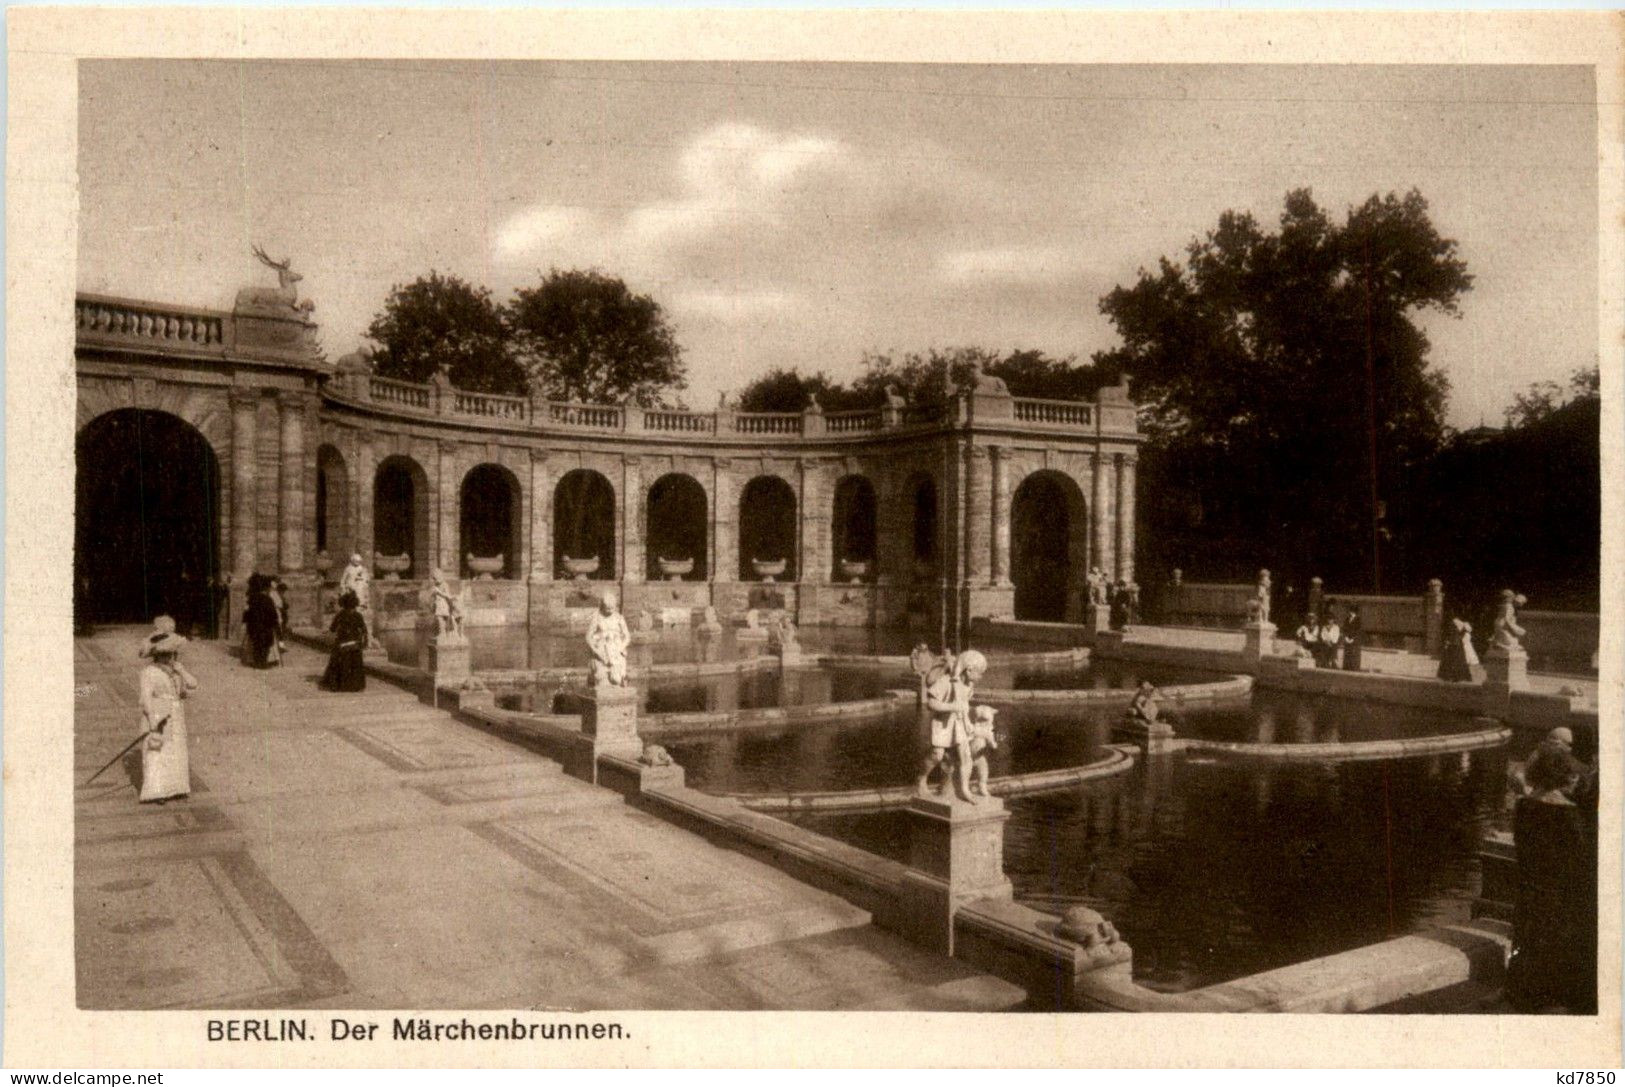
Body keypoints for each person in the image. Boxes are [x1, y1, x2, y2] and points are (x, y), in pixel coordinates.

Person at [1506, 744, 1597, 1013]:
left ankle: (1523, 994)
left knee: (1529, 945)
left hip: (1531, 890)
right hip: (1560, 895)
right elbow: (1579, 863)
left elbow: (1523, 851)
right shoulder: (1570, 814)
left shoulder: (1524, 807)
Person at [137, 621, 197, 804]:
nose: (168, 658)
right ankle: (157, 791)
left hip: (176, 715)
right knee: (158, 751)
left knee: (176, 749)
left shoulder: (175, 670)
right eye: (164, 654)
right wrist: (153, 722)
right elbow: (145, 698)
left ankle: (176, 788)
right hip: (158, 715)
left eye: (171, 654)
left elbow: (193, 685)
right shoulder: (149, 673)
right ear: (156, 655)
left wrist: (181, 671)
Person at [917, 648, 987, 802]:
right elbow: (931, 703)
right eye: (980, 673)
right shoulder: (946, 681)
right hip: (942, 724)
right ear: (969, 670)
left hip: (959, 724)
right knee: (937, 754)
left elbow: (965, 705)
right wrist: (952, 707)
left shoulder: (968, 685)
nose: (981, 677)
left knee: (965, 756)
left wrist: (968, 721)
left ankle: (964, 790)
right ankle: (921, 779)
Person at [320, 590, 368, 692]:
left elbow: (333, 628)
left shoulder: (340, 614)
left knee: (338, 663)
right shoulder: (358, 615)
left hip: (342, 643)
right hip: (355, 643)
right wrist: (364, 642)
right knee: (355, 665)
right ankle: (355, 686)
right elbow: (364, 630)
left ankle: (339, 685)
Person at [586, 590, 631, 687]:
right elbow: (588, 637)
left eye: (612, 608)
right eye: (607, 608)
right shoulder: (597, 618)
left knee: (616, 680)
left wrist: (621, 647)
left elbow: (627, 636)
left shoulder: (619, 618)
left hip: (616, 650)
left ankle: (620, 676)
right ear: (602, 606)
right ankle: (595, 676)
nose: (610, 610)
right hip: (602, 651)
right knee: (602, 683)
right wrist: (596, 651)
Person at [242, 573, 281, 668]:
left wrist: (247, 622)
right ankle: (263, 663)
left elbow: (248, 613)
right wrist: (276, 625)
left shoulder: (253, 599)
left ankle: (257, 662)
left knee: (257, 644)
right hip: (266, 627)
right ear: (266, 589)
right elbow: (273, 614)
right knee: (265, 646)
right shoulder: (268, 599)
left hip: (255, 626)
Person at [965, 705, 999, 799]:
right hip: (969, 756)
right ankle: (965, 788)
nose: (983, 723)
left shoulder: (989, 730)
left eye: (985, 721)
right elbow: (967, 738)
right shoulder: (973, 728)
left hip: (980, 756)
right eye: (980, 721)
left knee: (983, 771)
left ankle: (982, 786)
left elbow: (992, 742)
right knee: (966, 771)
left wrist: (993, 744)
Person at [1437, 616, 1476, 682]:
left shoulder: (1454, 623)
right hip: (1458, 644)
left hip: (1453, 644)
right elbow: (1468, 631)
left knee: (1451, 660)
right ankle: (1457, 676)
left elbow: (1449, 634)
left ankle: (1449, 676)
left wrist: (1448, 641)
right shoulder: (1463, 624)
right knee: (1458, 660)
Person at [1315, 603, 1342, 669]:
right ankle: (1325, 662)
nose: (1330, 621)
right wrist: (1326, 641)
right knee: (1324, 647)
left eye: (1331, 619)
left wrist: (1331, 642)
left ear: (1334, 620)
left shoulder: (1336, 627)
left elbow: (1336, 636)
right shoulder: (1324, 627)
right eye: (1329, 619)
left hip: (1333, 643)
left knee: (1333, 647)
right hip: (1326, 643)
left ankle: (1333, 662)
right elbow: (1323, 635)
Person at [268, 577, 290, 653]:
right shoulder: (274, 594)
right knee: (278, 632)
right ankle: (280, 647)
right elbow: (281, 605)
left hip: (278, 615)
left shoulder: (274, 594)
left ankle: (279, 647)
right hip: (275, 616)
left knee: (279, 632)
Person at [1341, 604, 1364, 671]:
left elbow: (1358, 631)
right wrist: (1346, 637)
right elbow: (1344, 629)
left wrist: (1353, 639)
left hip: (1355, 641)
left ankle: (1354, 668)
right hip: (1347, 639)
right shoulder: (1347, 619)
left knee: (1354, 654)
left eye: (1352, 611)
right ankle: (1346, 667)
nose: (1350, 612)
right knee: (1347, 653)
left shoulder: (1358, 620)